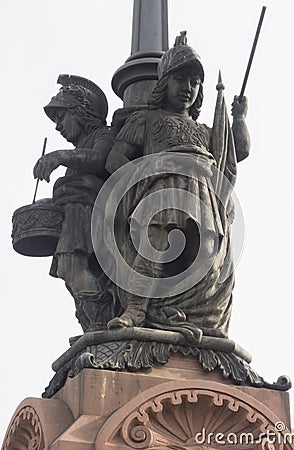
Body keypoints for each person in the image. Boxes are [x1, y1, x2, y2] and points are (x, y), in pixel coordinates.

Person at [104, 33, 250, 341]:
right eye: (180, 79)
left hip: (203, 198)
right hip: (163, 190)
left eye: (195, 82)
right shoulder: (146, 119)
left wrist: (238, 118)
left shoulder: (206, 131)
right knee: (153, 247)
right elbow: (115, 159)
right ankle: (136, 311)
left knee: (208, 258)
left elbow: (238, 150)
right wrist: (153, 168)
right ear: (164, 82)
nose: (187, 88)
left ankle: (200, 317)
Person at [33, 74, 118, 332]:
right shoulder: (79, 148)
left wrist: (60, 156)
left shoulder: (103, 134)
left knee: (72, 266)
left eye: (61, 117)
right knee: (68, 271)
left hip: (87, 212)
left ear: (81, 112)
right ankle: (93, 325)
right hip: (74, 212)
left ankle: (101, 323)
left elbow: (97, 159)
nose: (58, 126)